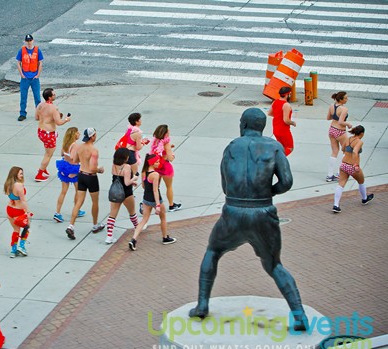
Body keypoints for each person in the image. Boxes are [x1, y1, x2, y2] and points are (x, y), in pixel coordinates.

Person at [188, 108, 308, 332]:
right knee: (274, 265)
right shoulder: (273, 147)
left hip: (233, 211)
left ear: (243, 125)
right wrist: (267, 192)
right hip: (263, 211)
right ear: (262, 126)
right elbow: (287, 181)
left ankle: (202, 304)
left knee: (212, 252)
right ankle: (299, 314)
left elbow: (225, 184)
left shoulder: (232, 147)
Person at [127, 154, 177, 251]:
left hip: (146, 198)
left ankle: (133, 239)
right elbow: (155, 191)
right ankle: (165, 237)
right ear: (152, 163)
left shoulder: (144, 172)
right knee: (163, 218)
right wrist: (158, 205)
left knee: (144, 220)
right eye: (157, 162)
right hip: (155, 199)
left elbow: (143, 187)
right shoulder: (155, 175)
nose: (159, 163)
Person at [65, 128, 105, 240]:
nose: (96, 137)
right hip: (91, 178)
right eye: (95, 135)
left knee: (78, 202)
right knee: (95, 202)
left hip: (81, 175)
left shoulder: (80, 147)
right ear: (92, 136)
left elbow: (75, 160)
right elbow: (92, 169)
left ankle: (71, 225)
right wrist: (99, 170)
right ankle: (95, 225)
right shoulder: (94, 150)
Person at [333, 125, 374, 213]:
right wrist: (356, 165)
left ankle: (336, 205)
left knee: (341, 184)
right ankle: (364, 198)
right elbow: (355, 152)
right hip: (352, 166)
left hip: (343, 164)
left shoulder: (348, 139)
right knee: (361, 181)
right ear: (362, 133)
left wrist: (346, 153)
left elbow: (343, 148)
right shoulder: (359, 142)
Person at [34, 88, 71, 181]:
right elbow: (58, 122)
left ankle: (44, 168)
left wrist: (49, 117)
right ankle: (39, 174)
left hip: (41, 131)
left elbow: (36, 118)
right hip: (49, 134)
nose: (55, 95)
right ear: (50, 97)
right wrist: (66, 120)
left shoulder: (40, 105)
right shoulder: (54, 108)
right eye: (54, 95)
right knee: (48, 154)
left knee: (47, 152)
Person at [106, 148, 139, 244]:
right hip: (126, 193)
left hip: (115, 191)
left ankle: (109, 236)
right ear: (125, 158)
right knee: (132, 212)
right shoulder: (127, 167)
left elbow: (118, 179)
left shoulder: (114, 165)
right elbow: (127, 182)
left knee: (112, 215)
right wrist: (135, 178)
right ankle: (138, 227)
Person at [54, 127, 85, 223]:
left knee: (63, 191)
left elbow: (62, 154)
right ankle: (77, 209)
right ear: (74, 134)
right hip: (73, 168)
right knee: (78, 190)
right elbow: (72, 158)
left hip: (64, 167)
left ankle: (57, 212)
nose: (79, 134)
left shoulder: (65, 144)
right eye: (78, 132)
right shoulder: (75, 145)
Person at [149, 125, 181, 212]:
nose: (169, 132)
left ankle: (149, 203)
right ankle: (171, 205)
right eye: (168, 131)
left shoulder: (155, 141)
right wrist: (172, 155)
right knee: (169, 187)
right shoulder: (166, 143)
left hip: (157, 166)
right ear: (165, 133)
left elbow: (157, 152)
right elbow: (170, 158)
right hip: (166, 168)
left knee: (155, 187)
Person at [4, 166, 32, 257]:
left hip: (9, 210)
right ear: (15, 174)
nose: (22, 175)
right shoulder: (19, 185)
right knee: (27, 227)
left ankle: (13, 250)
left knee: (16, 230)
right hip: (18, 211)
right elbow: (23, 200)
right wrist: (28, 212)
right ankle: (22, 246)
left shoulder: (8, 184)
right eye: (20, 173)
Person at [326, 91, 353, 182]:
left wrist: (335, 116)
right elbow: (341, 122)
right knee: (346, 151)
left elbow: (328, 118)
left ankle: (329, 175)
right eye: (345, 98)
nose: (347, 99)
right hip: (340, 131)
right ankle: (339, 173)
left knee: (334, 151)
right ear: (341, 99)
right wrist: (348, 124)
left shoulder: (331, 106)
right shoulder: (344, 109)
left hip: (332, 129)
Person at [16, 34, 43, 122]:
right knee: (23, 97)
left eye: (30, 40)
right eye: (27, 41)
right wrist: (22, 74)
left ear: (33, 41)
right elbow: (18, 63)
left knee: (37, 97)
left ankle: (39, 114)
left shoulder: (37, 50)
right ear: (25, 42)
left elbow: (40, 63)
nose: (29, 42)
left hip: (34, 78)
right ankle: (22, 114)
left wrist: (38, 74)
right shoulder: (22, 50)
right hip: (25, 78)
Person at [268, 86, 296, 156]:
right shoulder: (286, 105)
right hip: (284, 130)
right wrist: (293, 123)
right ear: (287, 95)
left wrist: (278, 116)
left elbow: (269, 113)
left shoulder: (275, 102)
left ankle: (277, 160)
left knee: (281, 147)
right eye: (290, 94)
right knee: (289, 147)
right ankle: (278, 160)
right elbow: (286, 120)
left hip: (276, 129)